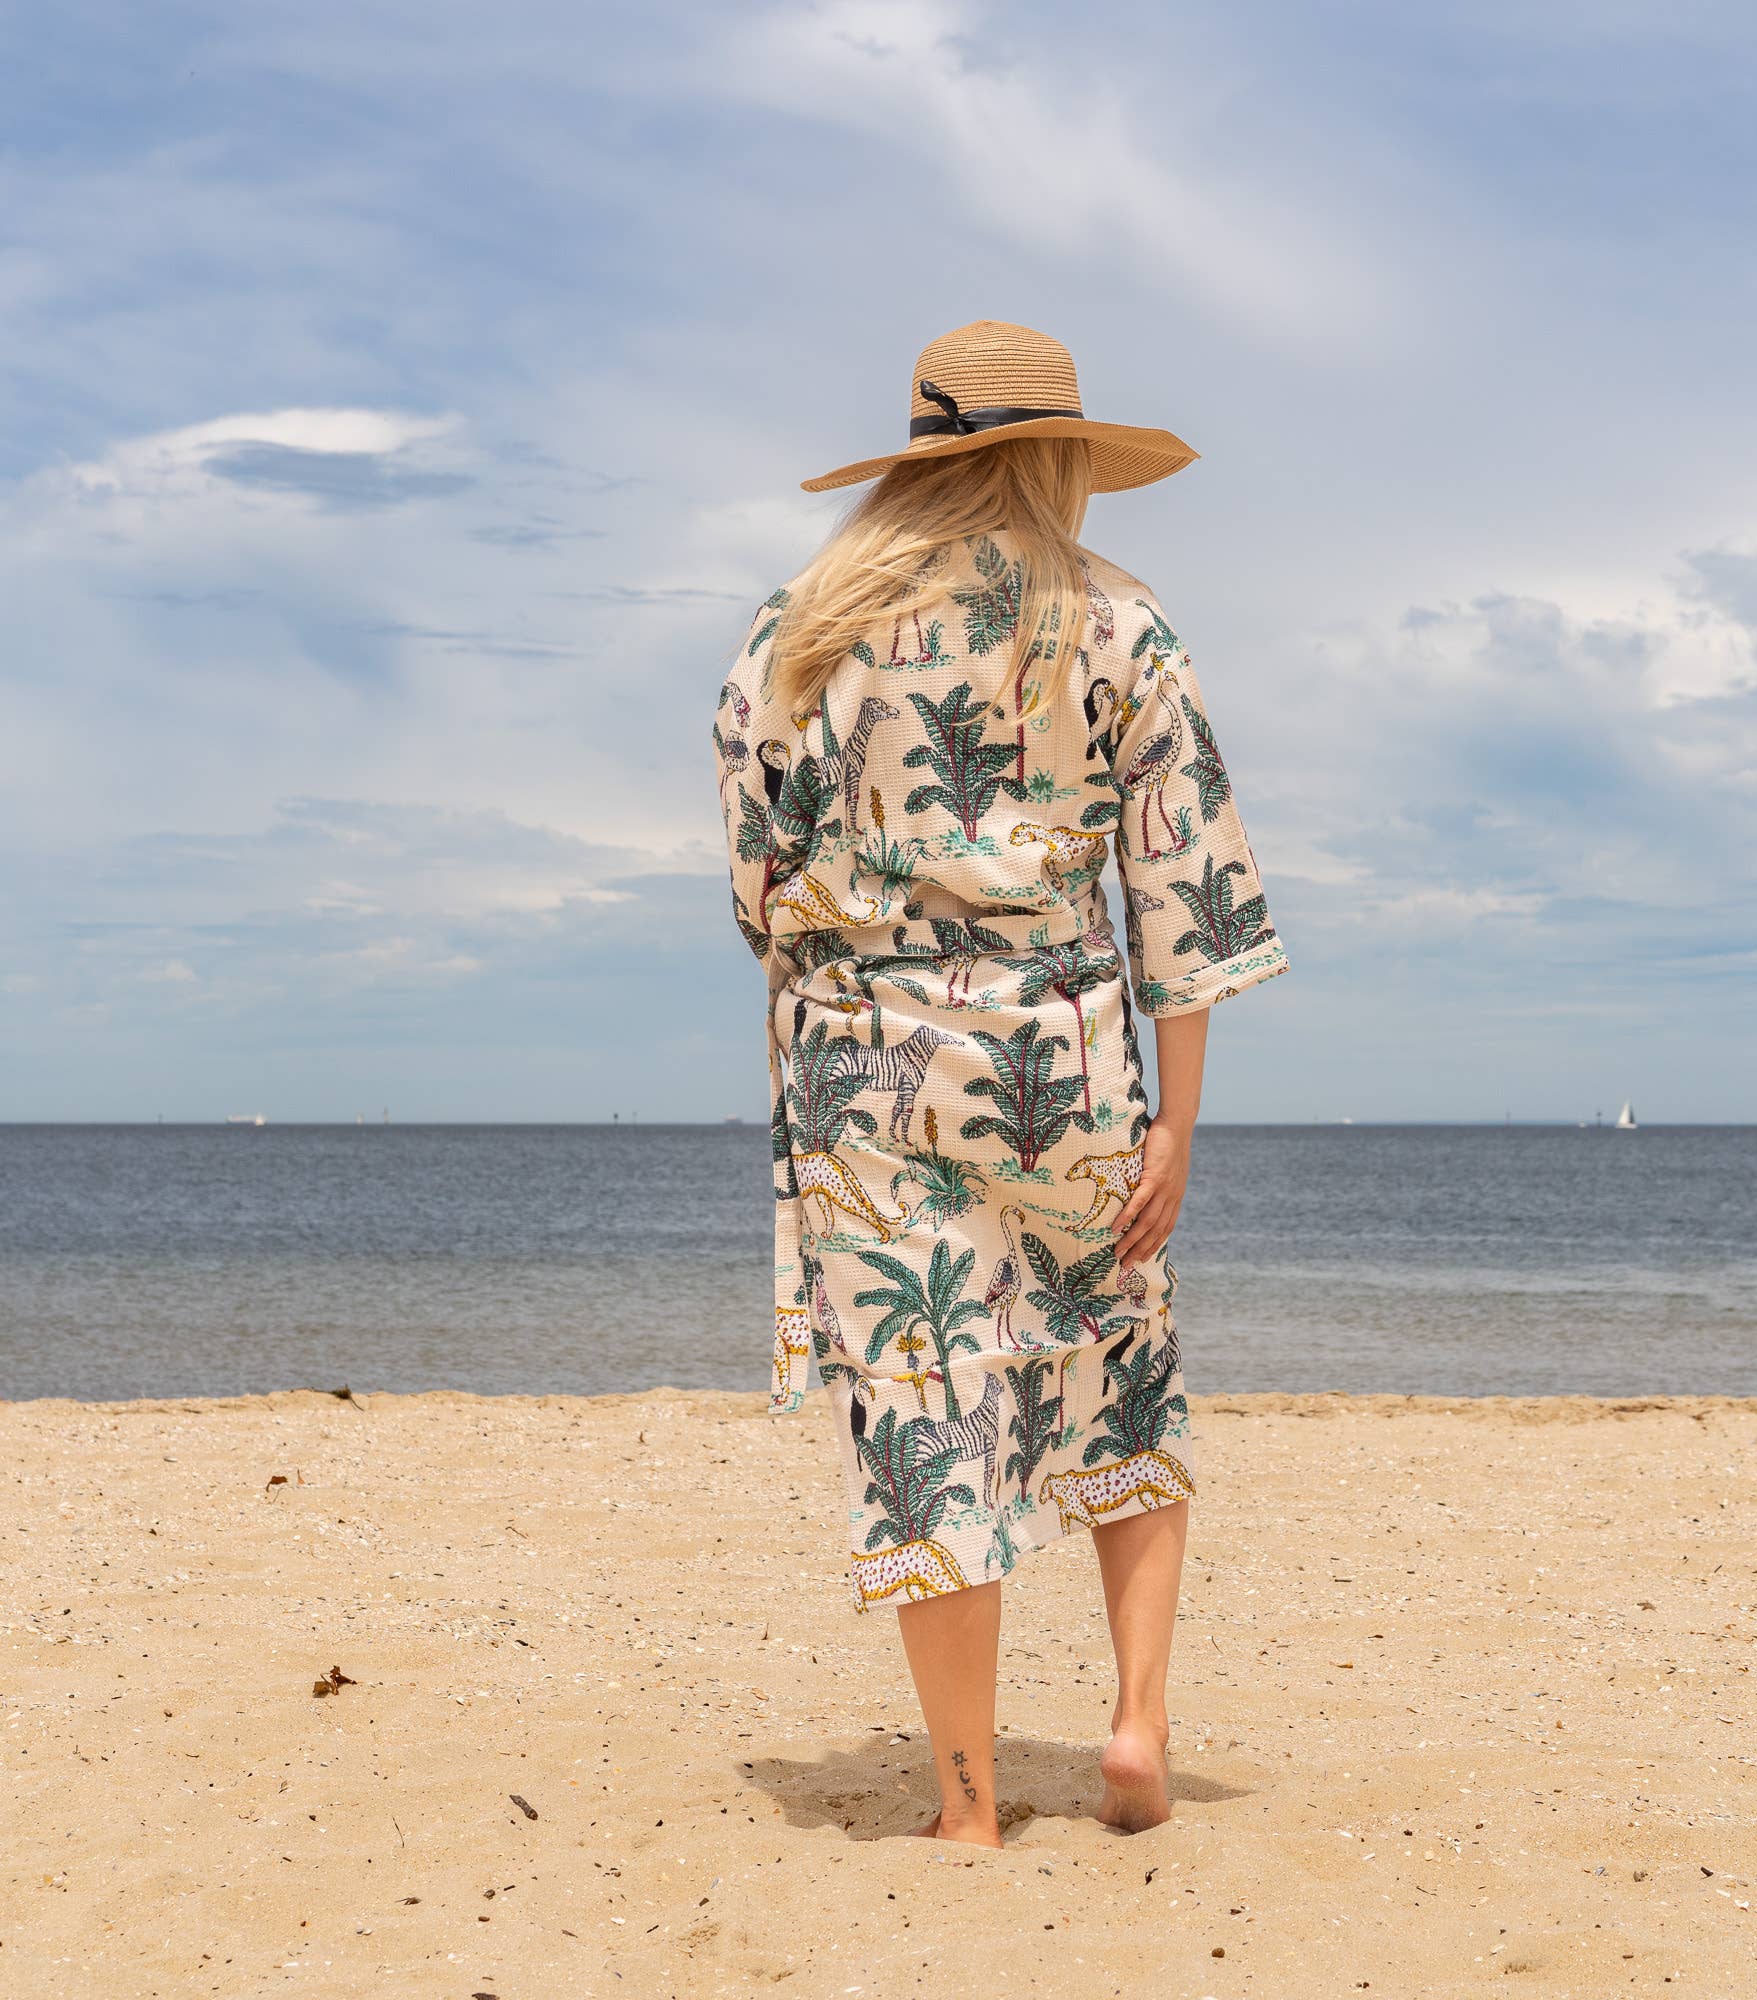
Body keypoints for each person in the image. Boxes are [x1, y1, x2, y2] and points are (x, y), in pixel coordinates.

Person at [712, 321, 1289, 1847]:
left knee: (927, 1406)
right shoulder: (1118, 623)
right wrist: (1178, 1121)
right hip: (1062, 1053)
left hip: (864, 1064)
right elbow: (1188, 893)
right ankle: (1137, 1723)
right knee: (1121, 1365)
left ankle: (966, 1811)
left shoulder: (798, 631)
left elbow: (759, 887)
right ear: (1057, 462)